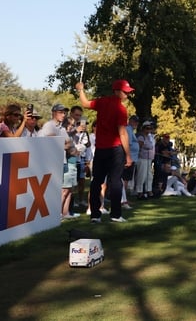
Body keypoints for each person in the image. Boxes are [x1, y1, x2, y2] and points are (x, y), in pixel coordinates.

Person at [75, 79, 134, 223]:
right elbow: (122, 133)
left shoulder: (102, 102)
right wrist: (128, 155)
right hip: (115, 150)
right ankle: (115, 214)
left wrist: (80, 90)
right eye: (126, 92)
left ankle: (95, 215)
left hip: (100, 149)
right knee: (115, 182)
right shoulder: (121, 109)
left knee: (96, 182)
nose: (127, 95)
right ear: (117, 91)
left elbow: (85, 103)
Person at [39, 104, 78, 219]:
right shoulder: (49, 126)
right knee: (55, 190)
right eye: (60, 112)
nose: (63, 114)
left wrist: (63, 144)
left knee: (65, 189)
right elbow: (53, 144)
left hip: (62, 161)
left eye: (64, 112)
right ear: (53, 113)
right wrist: (63, 144)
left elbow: (68, 143)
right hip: (51, 162)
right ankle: (54, 214)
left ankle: (62, 213)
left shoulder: (61, 128)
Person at [134, 121, 155, 200]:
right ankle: (139, 192)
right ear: (143, 128)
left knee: (149, 175)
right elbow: (139, 147)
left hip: (148, 158)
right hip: (142, 158)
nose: (149, 130)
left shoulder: (149, 137)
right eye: (147, 128)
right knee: (141, 175)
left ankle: (148, 190)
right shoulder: (141, 137)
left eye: (150, 128)